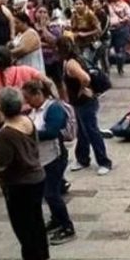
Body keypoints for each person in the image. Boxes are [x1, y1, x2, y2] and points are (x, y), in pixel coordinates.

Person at [0, 87, 50, 260]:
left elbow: (0, 163)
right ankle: (42, 253)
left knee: (22, 222)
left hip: (20, 182)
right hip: (36, 176)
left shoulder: (7, 133)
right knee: (35, 218)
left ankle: (34, 259)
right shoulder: (27, 120)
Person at [22, 79, 75, 246]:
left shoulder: (54, 108)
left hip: (54, 158)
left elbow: (52, 132)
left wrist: (29, 134)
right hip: (41, 159)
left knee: (52, 193)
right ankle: (56, 219)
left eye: (28, 97)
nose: (26, 101)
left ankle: (67, 227)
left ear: (39, 94)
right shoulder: (34, 111)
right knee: (48, 193)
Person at [58, 36, 112, 175]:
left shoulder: (71, 63)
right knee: (82, 131)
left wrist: (82, 89)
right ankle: (82, 158)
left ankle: (104, 161)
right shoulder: (76, 59)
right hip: (80, 102)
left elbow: (85, 78)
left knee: (91, 131)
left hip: (84, 102)